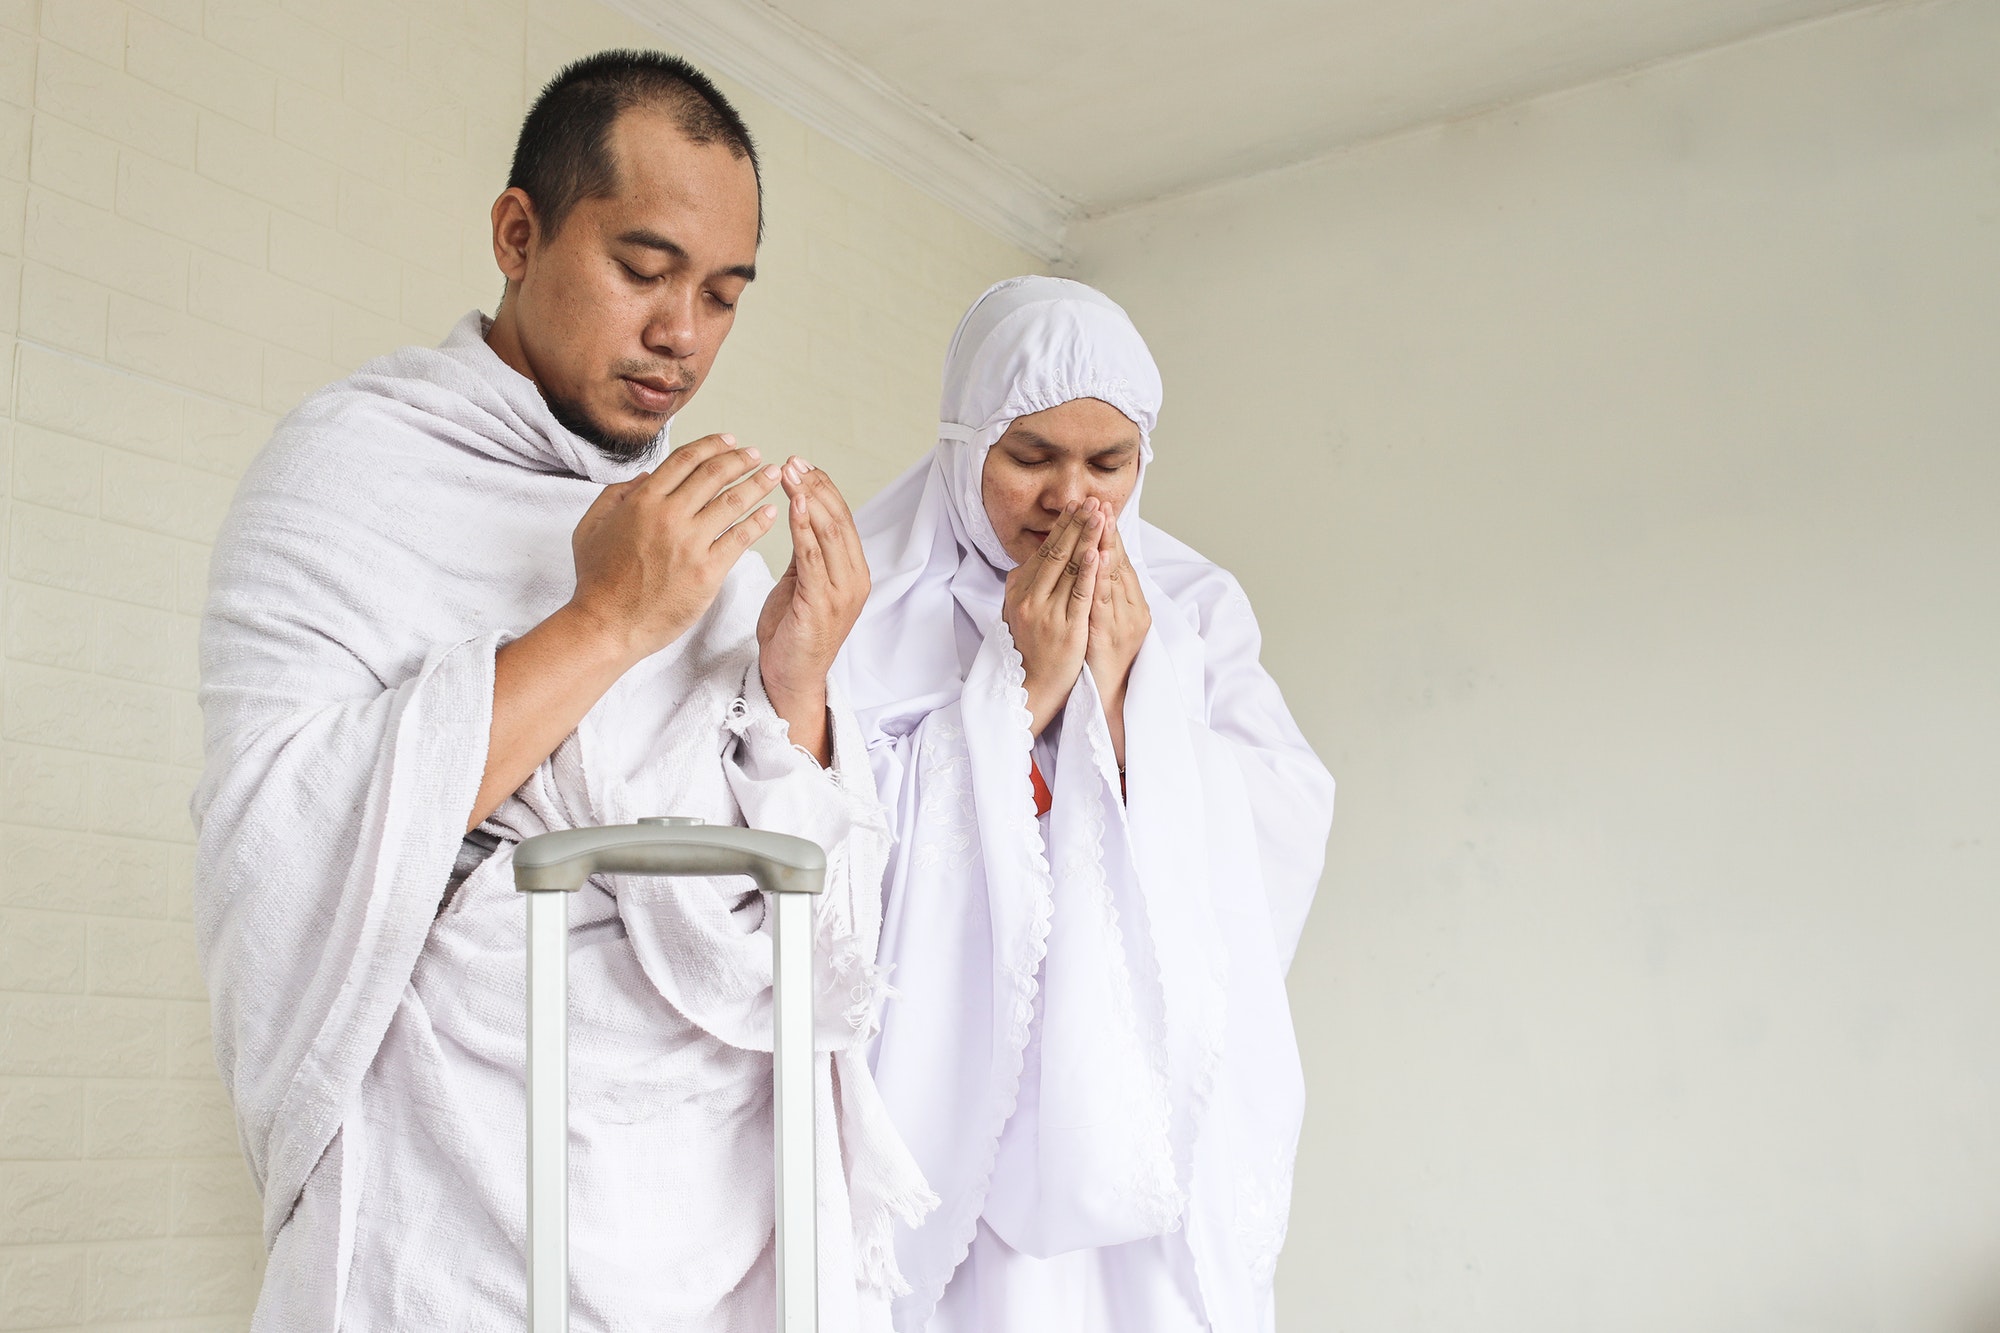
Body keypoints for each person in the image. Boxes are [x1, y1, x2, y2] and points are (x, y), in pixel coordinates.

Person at [193, 51, 932, 1331]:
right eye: (642, 272)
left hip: (712, 1217)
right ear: (518, 232)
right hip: (467, 1216)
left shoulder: (700, 540)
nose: (681, 336)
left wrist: (795, 687)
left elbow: (788, 925)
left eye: (721, 294)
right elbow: (280, 851)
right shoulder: (352, 473)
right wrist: (602, 622)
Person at [835, 276, 1335, 1332]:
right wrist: (1020, 693)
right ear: (964, 449)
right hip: (957, 1110)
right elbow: (828, 839)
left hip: (1140, 1113)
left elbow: (1280, 813)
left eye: (1107, 463)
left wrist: (1123, 695)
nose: (1072, 499)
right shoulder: (866, 603)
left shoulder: (1192, 609)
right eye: (1030, 459)